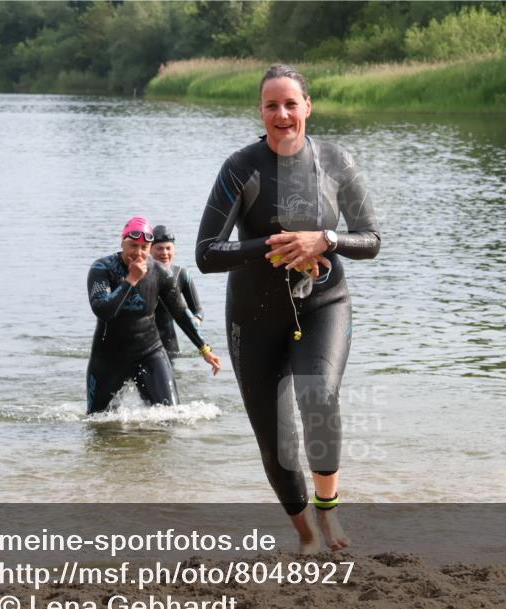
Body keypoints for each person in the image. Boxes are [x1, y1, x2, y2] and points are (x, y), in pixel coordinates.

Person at [195, 64, 380, 552]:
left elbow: (372, 240)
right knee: (276, 442)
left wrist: (326, 239)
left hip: (324, 302)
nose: (282, 113)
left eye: (290, 103)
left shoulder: (336, 162)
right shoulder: (241, 167)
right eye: (271, 105)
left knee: (318, 397)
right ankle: (305, 536)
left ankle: (329, 515)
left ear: (307, 107)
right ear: (261, 111)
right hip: (253, 316)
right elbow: (206, 253)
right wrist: (271, 247)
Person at [87, 216, 221, 414]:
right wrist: (130, 280)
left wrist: (204, 348)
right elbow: (103, 310)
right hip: (109, 356)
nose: (138, 253)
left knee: (170, 416)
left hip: (149, 352)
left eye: (144, 247)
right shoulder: (102, 269)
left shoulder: (160, 272)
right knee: (98, 422)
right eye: (133, 245)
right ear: (122, 242)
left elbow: (180, 312)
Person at [151, 224, 204, 361]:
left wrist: (194, 322)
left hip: (170, 347)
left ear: (174, 249)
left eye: (168, 248)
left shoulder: (181, 275)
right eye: (159, 249)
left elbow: (198, 311)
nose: (164, 253)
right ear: (149, 250)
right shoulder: (141, 276)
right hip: (144, 343)